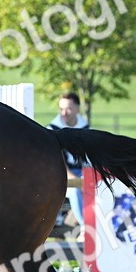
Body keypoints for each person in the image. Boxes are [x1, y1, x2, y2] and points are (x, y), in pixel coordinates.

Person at [48, 92, 90, 223]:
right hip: (59, 177)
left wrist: (88, 178)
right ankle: (86, 226)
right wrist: (77, 180)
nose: (64, 113)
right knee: (75, 191)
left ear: (77, 109)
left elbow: (89, 160)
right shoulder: (52, 130)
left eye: (68, 109)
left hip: (83, 173)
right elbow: (57, 163)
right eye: (61, 109)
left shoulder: (86, 129)